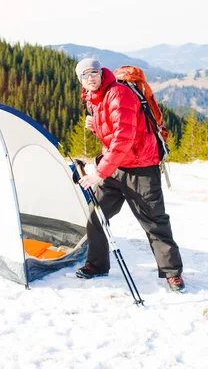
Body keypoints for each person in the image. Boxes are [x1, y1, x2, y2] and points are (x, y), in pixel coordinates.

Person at [74, 58, 185, 293]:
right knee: (97, 218)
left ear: (101, 73)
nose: (90, 77)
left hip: (141, 167)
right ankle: (96, 266)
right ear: (80, 79)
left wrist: (98, 174)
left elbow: (124, 139)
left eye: (93, 72)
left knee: (154, 222)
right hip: (116, 167)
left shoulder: (118, 94)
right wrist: (97, 127)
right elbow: (114, 133)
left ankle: (173, 274)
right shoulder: (94, 98)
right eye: (84, 75)